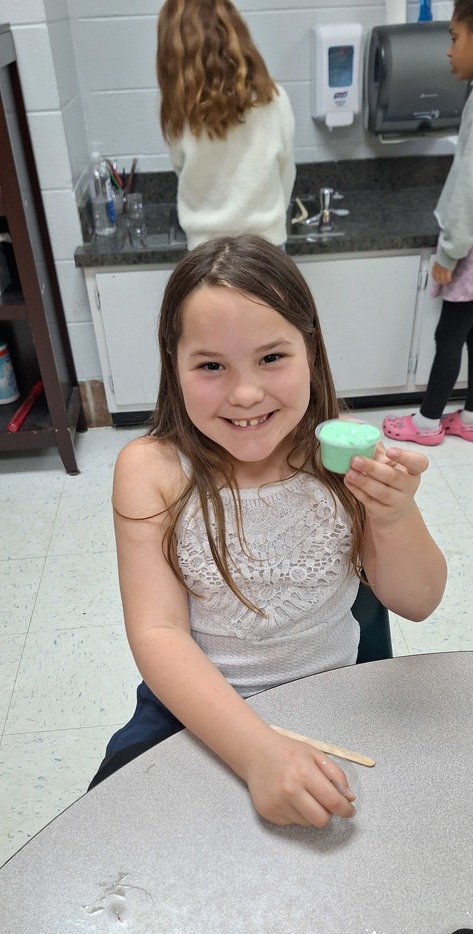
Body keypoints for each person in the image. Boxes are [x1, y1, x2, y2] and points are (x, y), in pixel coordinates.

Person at [89, 235, 447, 828]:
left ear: (310, 351)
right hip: (198, 709)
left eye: (271, 358)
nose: (246, 393)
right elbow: (158, 632)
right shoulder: (151, 470)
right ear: (173, 364)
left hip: (337, 695)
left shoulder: (340, 451)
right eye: (210, 366)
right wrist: (256, 752)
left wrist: (394, 515)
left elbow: (419, 602)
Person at [383, 0, 473, 447]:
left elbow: (468, 186)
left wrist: (448, 253)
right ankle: (470, 417)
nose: (448, 51)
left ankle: (427, 422)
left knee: (448, 335)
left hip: (468, 248)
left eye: (454, 38)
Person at [156, 0, 296, 250]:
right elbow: (286, 170)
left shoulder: (179, 111)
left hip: (205, 251)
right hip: (267, 247)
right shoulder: (273, 100)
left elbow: (181, 170)